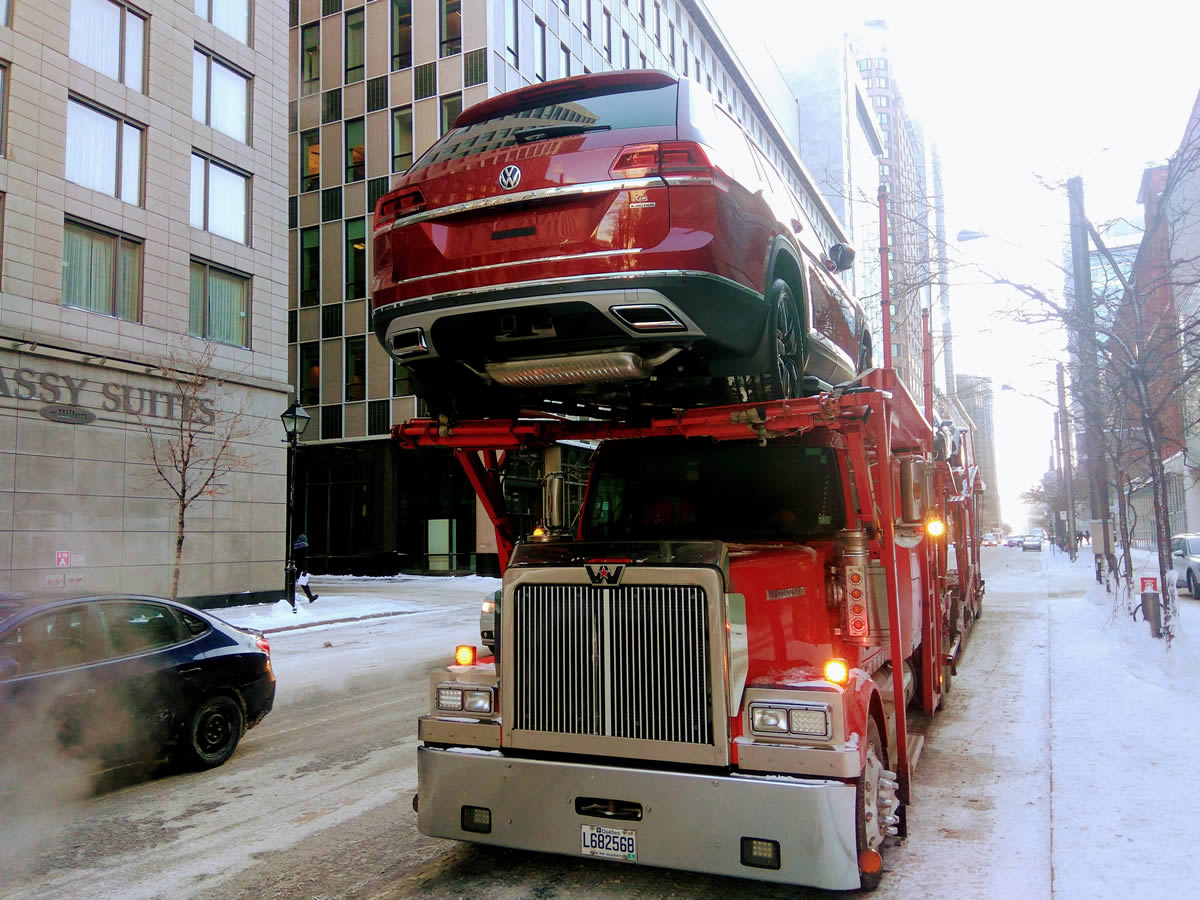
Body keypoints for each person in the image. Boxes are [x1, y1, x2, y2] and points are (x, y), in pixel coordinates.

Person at [292, 534, 319, 605]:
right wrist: (305, 569)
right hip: (301, 568)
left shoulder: (294, 546)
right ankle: (310, 597)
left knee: (291, 583)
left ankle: (290, 596)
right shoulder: (303, 547)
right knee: (304, 583)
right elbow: (303, 560)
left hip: (294, 567)